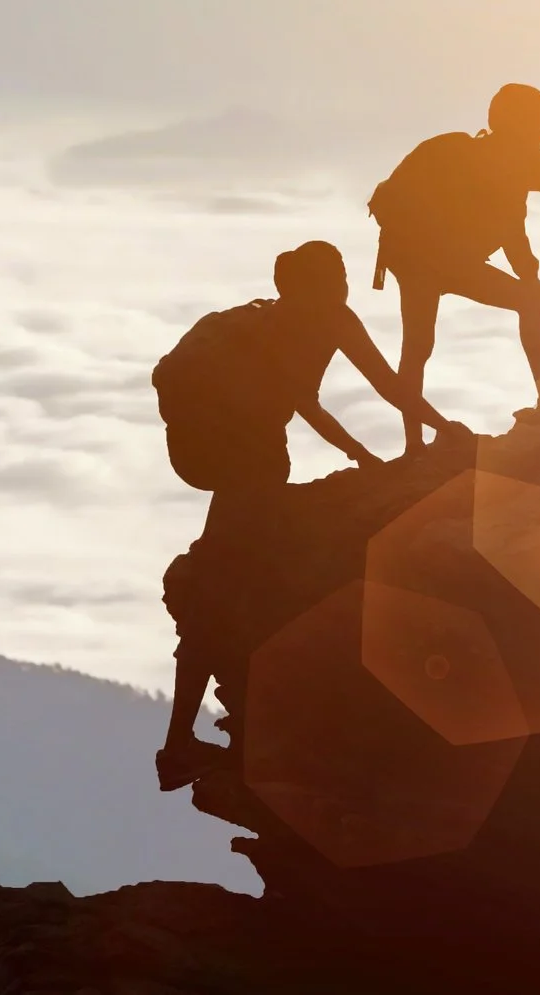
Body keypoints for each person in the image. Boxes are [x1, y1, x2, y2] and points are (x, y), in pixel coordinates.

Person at [151, 240, 473, 791]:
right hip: (244, 456)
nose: (344, 287)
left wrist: (362, 454)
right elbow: (382, 387)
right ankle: (179, 747)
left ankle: (185, 741)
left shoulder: (280, 324)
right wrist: (440, 430)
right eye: (336, 278)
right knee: (220, 595)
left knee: (220, 582)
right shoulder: (319, 323)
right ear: (315, 287)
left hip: (213, 451)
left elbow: (314, 402)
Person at [369, 83, 540, 450]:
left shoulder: (495, 159)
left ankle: (417, 444)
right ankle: (421, 443)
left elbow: (531, 206)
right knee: (421, 345)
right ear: (519, 124)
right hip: (426, 261)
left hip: (432, 261)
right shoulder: (501, 161)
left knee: (419, 346)